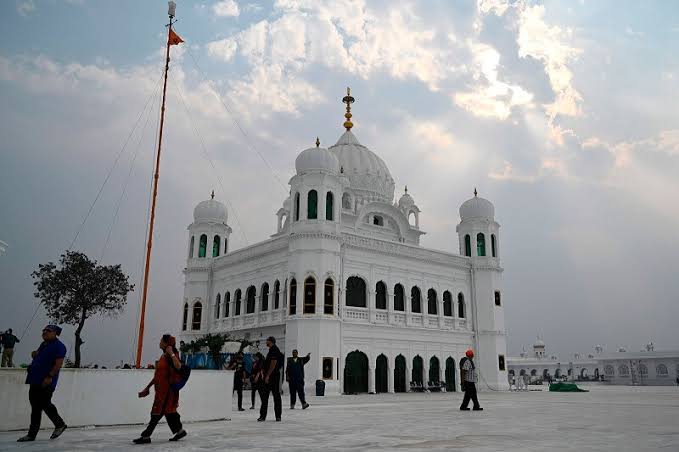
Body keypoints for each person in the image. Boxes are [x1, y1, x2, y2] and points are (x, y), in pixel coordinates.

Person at [133, 334, 187, 444]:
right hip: (161, 391)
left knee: (157, 413)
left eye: (161, 341)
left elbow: (178, 366)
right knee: (169, 412)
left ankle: (146, 436)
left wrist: (171, 352)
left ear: (166, 343)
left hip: (167, 392)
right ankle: (179, 431)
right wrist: (147, 388)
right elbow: (158, 376)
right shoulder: (163, 356)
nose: (159, 343)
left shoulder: (171, 355)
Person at [17, 325, 67, 442]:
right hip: (35, 379)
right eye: (43, 330)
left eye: (48, 331)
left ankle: (60, 424)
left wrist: (50, 376)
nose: (44, 332)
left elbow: (58, 364)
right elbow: (38, 355)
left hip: (46, 381)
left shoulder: (59, 346)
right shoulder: (44, 344)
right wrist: (34, 355)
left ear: (55, 333)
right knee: (35, 407)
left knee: (44, 403)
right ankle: (31, 435)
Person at [258, 336, 283, 422]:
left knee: (273, 396)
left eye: (267, 341)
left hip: (272, 377)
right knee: (269, 396)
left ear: (271, 341)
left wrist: (268, 375)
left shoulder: (274, 350)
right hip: (273, 375)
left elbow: (273, 363)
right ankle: (267, 416)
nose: (266, 342)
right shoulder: (272, 350)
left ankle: (274, 416)